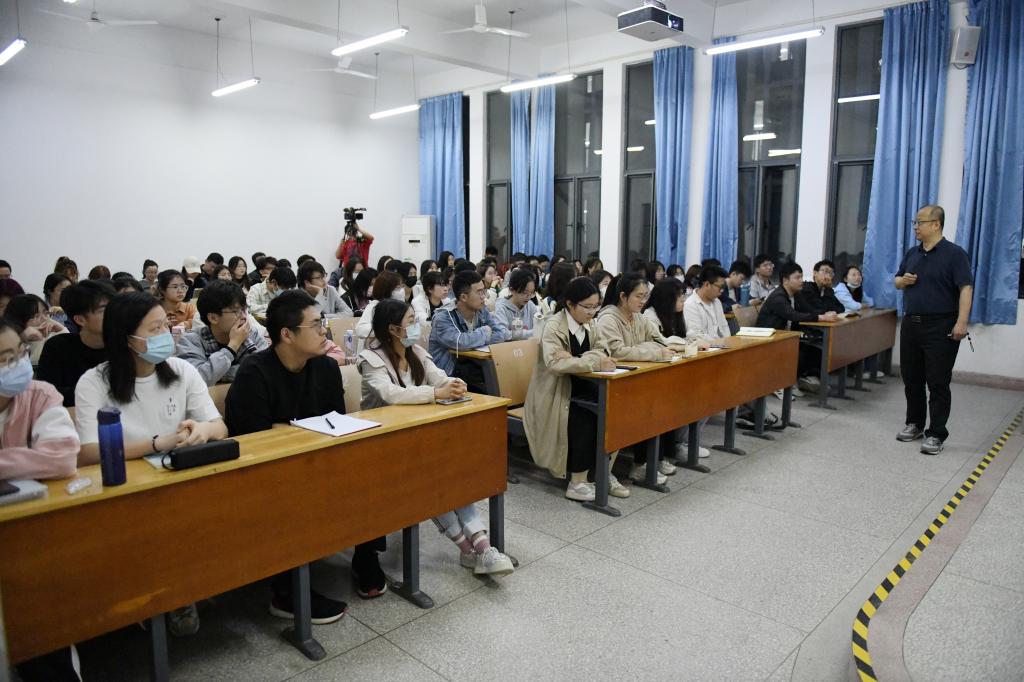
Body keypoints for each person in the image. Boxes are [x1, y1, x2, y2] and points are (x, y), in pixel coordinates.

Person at [225, 290, 387, 614]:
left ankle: (366, 556)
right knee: (289, 493)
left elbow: (335, 422)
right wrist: (302, 432)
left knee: (370, 472)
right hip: (269, 470)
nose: (324, 331)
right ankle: (286, 590)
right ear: (287, 334)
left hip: (317, 458)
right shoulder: (254, 373)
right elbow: (253, 440)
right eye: (315, 325)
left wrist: (293, 429)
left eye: (322, 322)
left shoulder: (325, 368)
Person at [75, 292, 227, 637]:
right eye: (154, 329)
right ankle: (160, 595)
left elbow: (219, 427)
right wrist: (157, 443)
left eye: (165, 325)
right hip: (125, 485)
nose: (165, 335)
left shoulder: (181, 370)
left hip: (180, 477)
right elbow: (88, 452)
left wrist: (201, 431)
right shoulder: (94, 382)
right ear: (126, 338)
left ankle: (185, 589)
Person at [358, 299, 514, 576]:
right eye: (411, 321)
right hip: (381, 445)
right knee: (430, 480)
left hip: (418, 437)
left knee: (452, 474)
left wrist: (452, 384)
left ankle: (482, 547)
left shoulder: (416, 351)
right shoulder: (370, 359)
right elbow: (391, 394)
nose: (418, 326)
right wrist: (434, 393)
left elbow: (438, 377)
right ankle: (470, 550)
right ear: (393, 329)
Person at [524, 277, 616, 501]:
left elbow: (604, 350)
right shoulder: (554, 326)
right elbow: (556, 365)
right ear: (570, 304)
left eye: (595, 306)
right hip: (555, 393)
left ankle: (602, 473)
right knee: (584, 416)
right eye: (587, 307)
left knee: (617, 410)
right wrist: (593, 361)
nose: (592, 312)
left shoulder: (591, 323)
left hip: (585, 385)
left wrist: (578, 359)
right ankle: (577, 482)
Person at [894, 204, 973, 455]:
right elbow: (897, 281)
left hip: (941, 326)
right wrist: (903, 281)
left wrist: (962, 322)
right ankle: (915, 423)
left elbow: (965, 288)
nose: (915, 227)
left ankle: (936, 433)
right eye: (915, 222)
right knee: (911, 377)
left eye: (920, 222)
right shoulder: (913, 253)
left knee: (938, 381)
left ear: (936, 224)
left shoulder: (955, 254)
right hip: (911, 323)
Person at [596, 273, 686, 488]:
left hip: (637, 378)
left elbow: (660, 342)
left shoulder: (639, 317)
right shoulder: (608, 318)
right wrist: (651, 352)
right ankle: (639, 464)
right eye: (639, 296)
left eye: (646, 296)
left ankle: (652, 459)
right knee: (646, 406)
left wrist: (647, 349)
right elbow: (617, 352)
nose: (643, 301)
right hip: (615, 383)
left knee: (664, 401)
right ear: (623, 296)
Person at [0, 317, 79, 480]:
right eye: (8, 359)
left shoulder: (41, 396)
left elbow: (62, 459)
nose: (21, 363)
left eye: (23, 352)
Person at [756, 262, 838, 386]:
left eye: (801, 277)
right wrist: (821, 317)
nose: (801, 281)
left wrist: (825, 314)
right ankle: (781, 384)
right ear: (785, 280)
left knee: (815, 349)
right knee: (802, 353)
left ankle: (794, 381)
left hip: (785, 336)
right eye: (797, 277)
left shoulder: (796, 294)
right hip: (769, 338)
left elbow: (808, 310)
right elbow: (793, 315)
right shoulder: (778, 297)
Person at [36, 280, 114, 406]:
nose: (114, 314)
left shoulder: (124, 345)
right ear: (80, 320)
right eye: (103, 310)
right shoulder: (58, 347)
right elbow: (47, 394)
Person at [178, 281, 269, 386]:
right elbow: (197, 379)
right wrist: (233, 346)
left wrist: (221, 375)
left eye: (244, 310)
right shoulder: (190, 341)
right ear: (213, 318)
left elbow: (265, 369)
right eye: (236, 311)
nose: (244, 316)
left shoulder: (252, 334)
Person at [428, 271, 509, 388]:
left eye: (484, 291)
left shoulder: (481, 309)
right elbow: (460, 342)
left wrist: (474, 340)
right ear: (463, 297)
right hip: (448, 376)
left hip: (473, 367)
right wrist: (485, 332)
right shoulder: (443, 317)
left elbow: (500, 334)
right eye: (479, 292)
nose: (484, 296)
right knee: (490, 380)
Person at [354, 271, 407, 341]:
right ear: (386, 290)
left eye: (402, 286)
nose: (402, 291)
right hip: (378, 345)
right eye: (397, 288)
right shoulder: (374, 306)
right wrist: (387, 330)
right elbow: (361, 330)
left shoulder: (404, 308)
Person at [494, 268, 539, 339]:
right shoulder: (501, 307)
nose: (528, 297)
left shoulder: (530, 305)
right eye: (525, 292)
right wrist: (533, 332)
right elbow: (503, 334)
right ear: (512, 290)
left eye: (531, 293)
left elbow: (539, 326)